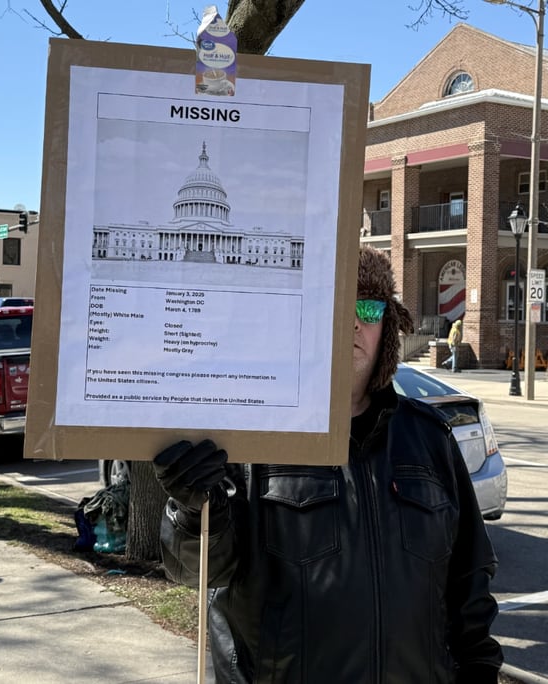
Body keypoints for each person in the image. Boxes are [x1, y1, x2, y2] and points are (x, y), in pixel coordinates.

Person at [153, 247, 502, 683]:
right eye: (336, 303)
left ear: (387, 328)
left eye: (369, 307)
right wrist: (189, 511)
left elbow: (469, 587)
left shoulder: (429, 439)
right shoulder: (251, 436)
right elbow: (198, 569)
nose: (354, 321)